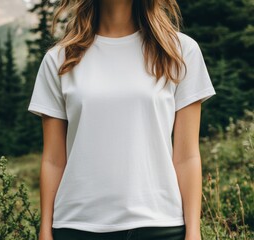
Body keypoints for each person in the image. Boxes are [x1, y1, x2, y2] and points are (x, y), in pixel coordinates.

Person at [27, 0, 216, 239]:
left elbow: (187, 156)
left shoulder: (179, 51)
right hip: (77, 226)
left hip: (160, 225)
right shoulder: (59, 59)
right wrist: (45, 231)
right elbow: (53, 160)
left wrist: (194, 232)